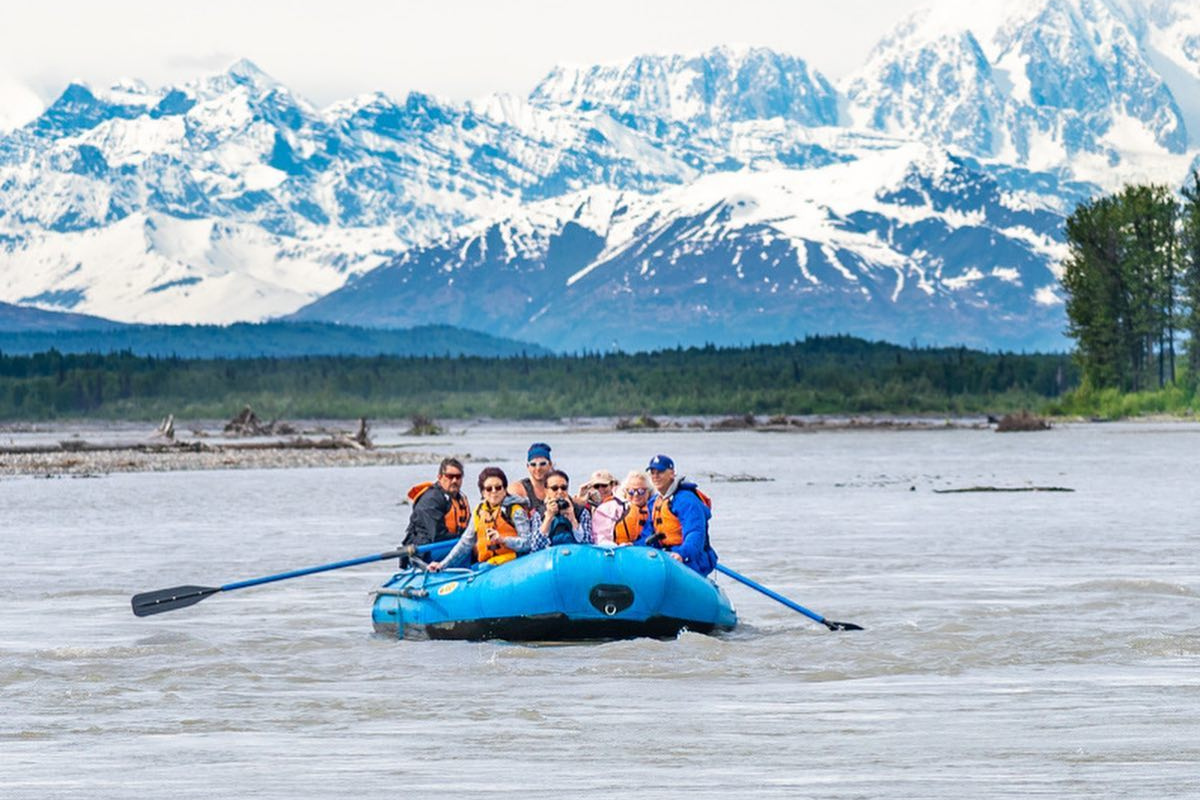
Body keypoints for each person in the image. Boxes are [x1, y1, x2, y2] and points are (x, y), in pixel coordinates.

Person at [429, 467, 539, 571]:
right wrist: (442, 564)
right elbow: (465, 543)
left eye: (498, 487)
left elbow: (528, 543)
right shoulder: (479, 512)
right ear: (483, 492)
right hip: (488, 565)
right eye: (488, 488)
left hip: (512, 563)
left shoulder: (515, 511)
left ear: (505, 490)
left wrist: (502, 540)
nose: (494, 491)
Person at [638, 454, 718, 575]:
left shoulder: (686, 500)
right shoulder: (654, 502)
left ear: (671, 473)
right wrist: (631, 547)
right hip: (665, 555)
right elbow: (647, 534)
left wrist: (682, 554)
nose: (655, 476)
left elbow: (695, 533)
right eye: (652, 472)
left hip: (692, 559)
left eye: (660, 472)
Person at [402, 457, 470, 551]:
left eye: (458, 477)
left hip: (451, 544)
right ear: (440, 477)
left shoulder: (460, 499)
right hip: (426, 548)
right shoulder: (431, 500)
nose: (454, 480)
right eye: (450, 476)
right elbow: (438, 536)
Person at [533, 469, 592, 546]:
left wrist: (573, 519)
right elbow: (535, 546)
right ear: (546, 490)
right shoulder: (539, 513)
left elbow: (587, 542)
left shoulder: (581, 512)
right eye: (555, 488)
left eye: (563, 488)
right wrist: (548, 518)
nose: (560, 491)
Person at [582, 469, 626, 546]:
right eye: (596, 486)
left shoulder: (617, 504)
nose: (600, 489)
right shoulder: (588, 506)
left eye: (604, 485)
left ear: (612, 485)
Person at [510, 442, 553, 516]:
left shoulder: (557, 486)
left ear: (550, 464)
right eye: (533, 464)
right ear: (528, 466)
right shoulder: (518, 489)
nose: (538, 468)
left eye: (542, 464)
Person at [612, 470, 653, 546]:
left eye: (641, 491)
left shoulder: (654, 509)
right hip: (618, 550)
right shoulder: (614, 509)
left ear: (649, 492)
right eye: (631, 491)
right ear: (625, 492)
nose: (636, 494)